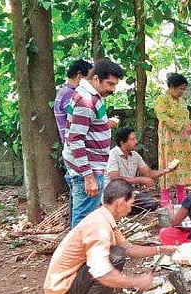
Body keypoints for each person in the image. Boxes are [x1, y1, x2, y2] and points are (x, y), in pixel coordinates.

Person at [43, 179, 177, 294]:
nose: (131, 208)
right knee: (116, 256)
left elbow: (129, 248)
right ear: (120, 203)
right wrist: (136, 281)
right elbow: (102, 273)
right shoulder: (99, 227)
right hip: (61, 291)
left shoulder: (104, 217)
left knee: (119, 252)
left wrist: (161, 249)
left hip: (66, 284)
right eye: (130, 203)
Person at [63, 59, 125, 228]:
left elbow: (86, 127)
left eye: (115, 85)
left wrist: (105, 124)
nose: (112, 89)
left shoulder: (92, 96)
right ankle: (79, 254)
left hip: (88, 166)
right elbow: (76, 139)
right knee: (84, 220)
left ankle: (77, 252)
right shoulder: (86, 100)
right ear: (96, 79)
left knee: (82, 216)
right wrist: (88, 177)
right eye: (110, 84)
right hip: (87, 168)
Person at [105, 126, 175, 214]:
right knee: (148, 203)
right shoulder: (113, 154)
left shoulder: (135, 155)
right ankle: (120, 209)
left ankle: (125, 209)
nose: (136, 142)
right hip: (114, 194)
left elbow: (149, 173)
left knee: (152, 203)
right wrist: (140, 180)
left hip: (129, 193)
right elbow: (115, 178)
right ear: (122, 142)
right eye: (132, 139)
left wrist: (167, 170)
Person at [154, 73, 191, 206]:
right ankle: (165, 198)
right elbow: (164, 118)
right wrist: (182, 127)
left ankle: (181, 196)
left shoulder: (182, 102)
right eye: (180, 89)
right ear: (172, 87)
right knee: (168, 166)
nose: (182, 92)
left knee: (182, 166)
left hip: (184, 141)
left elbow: (185, 119)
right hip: (169, 140)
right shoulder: (161, 100)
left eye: (183, 90)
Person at [54, 59, 93, 145]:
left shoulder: (65, 92)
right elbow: (79, 118)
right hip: (74, 145)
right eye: (89, 78)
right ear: (79, 76)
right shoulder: (69, 94)